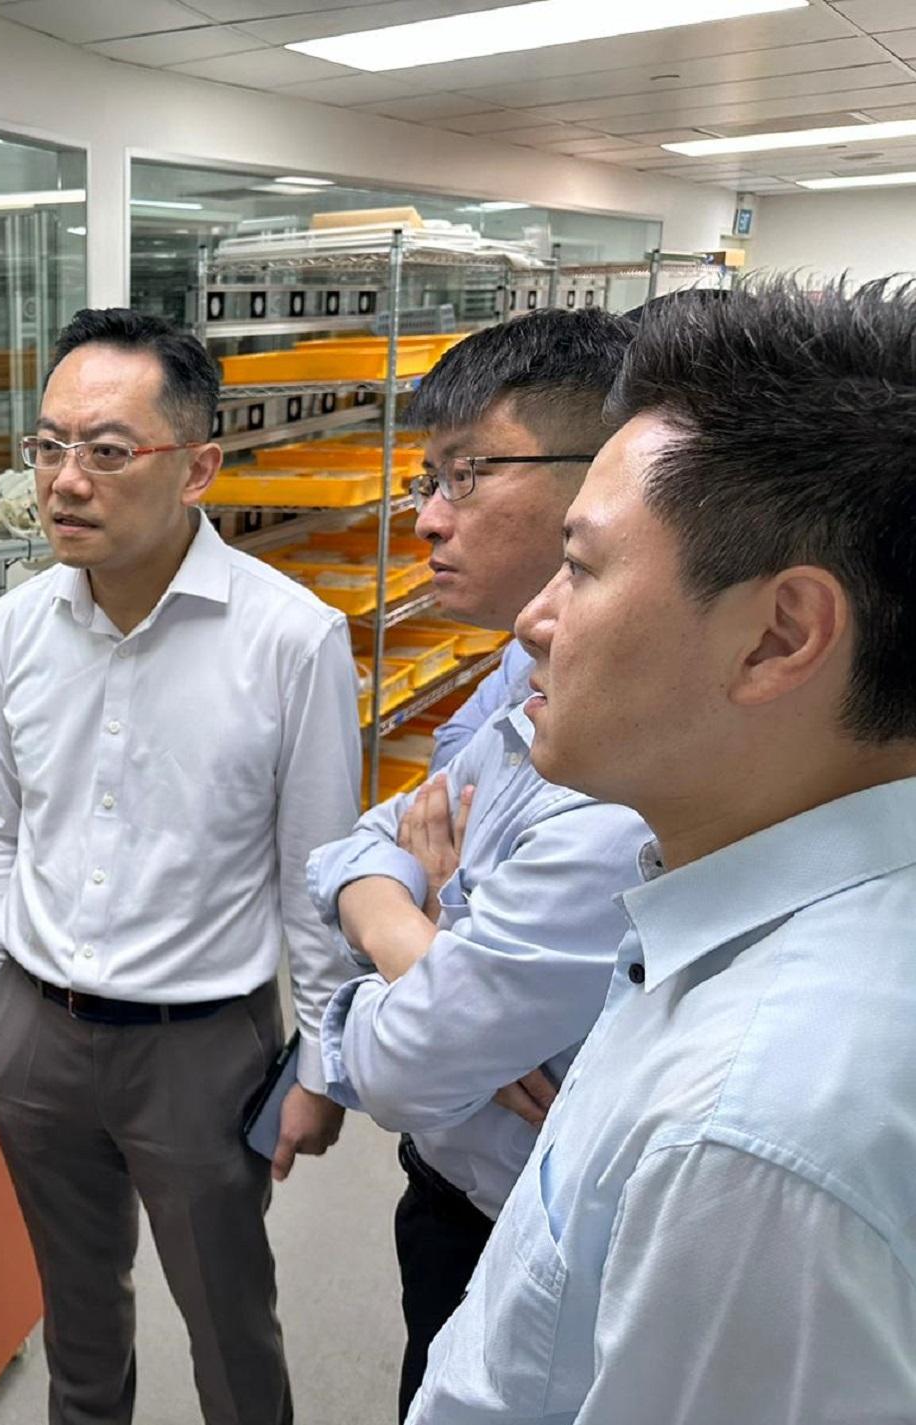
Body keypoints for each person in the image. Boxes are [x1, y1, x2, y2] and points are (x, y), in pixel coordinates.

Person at [411, 277, 916, 1422]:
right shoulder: (738, 908)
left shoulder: (749, 1138)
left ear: (778, 635)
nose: (536, 620)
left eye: (580, 568)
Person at [0, 308, 360, 1425]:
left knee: (230, 1326)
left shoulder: (292, 639)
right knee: (76, 1321)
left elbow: (316, 868)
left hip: (200, 1050)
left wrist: (323, 1058)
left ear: (198, 468)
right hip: (34, 1031)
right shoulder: (22, 623)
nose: (63, 482)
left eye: (106, 450)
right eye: (47, 446)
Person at [303, 310, 649, 1420]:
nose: (425, 522)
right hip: (451, 1184)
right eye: (422, 481)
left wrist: (415, 949)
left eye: (464, 477)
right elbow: (363, 844)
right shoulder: (517, 666)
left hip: (531, 1212)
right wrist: (425, 937)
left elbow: (405, 1064)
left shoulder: (623, 767)